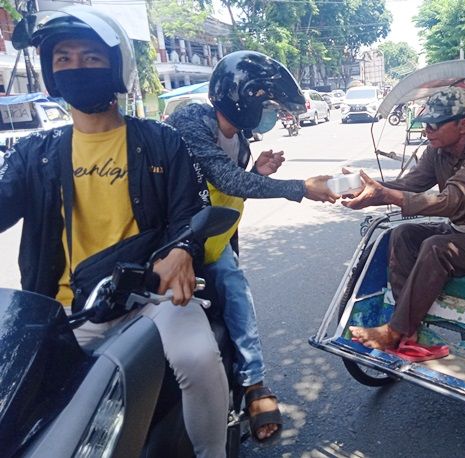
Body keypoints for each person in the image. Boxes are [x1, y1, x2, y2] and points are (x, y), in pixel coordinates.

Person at [0, 6, 228, 457]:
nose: (76, 68)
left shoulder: (161, 140)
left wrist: (182, 248)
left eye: (90, 57)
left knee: (197, 358)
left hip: (151, 296)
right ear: (49, 72)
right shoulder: (34, 152)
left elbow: (191, 212)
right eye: (63, 59)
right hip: (65, 310)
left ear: (115, 66)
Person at [166, 50, 338, 443]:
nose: (270, 111)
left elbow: (233, 180)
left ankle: (254, 383)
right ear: (241, 98)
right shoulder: (190, 121)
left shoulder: (241, 138)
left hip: (216, 240)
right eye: (266, 102)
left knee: (236, 291)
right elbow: (224, 179)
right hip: (176, 242)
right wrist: (299, 189)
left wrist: (255, 170)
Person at [342, 87, 465, 350]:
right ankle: (408, 328)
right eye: (425, 124)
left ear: (462, 124)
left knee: (437, 248)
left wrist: (386, 195)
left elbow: (451, 200)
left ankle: (394, 331)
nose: (427, 130)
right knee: (402, 234)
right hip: (461, 230)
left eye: (434, 124)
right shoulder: (437, 150)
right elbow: (411, 184)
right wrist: (369, 188)